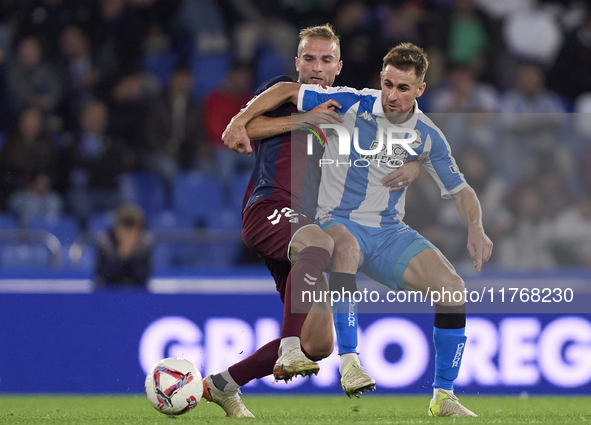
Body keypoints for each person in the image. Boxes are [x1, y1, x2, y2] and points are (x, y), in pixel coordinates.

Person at [223, 42, 493, 417]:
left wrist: (476, 229)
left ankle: (443, 396)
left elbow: (462, 190)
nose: (392, 95)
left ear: (420, 91)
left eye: (402, 88)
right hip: (333, 221)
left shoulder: (427, 135)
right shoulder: (352, 101)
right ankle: (350, 362)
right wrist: (239, 121)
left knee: (452, 289)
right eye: (387, 84)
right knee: (344, 249)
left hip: (387, 232)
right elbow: (285, 89)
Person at [201, 25, 420, 417]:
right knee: (320, 247)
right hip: (269, 207)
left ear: (338, 66)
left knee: (317, 343)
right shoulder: (283, 93)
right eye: (308, 58)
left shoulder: (344, 111)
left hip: (304, 226)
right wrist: (302, 122)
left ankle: (222, 384)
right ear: (297, 62)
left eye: (324, 60)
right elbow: (243, 132)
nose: (316, 67)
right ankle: (286, 350)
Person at [95, 203, 153, 287]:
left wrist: (131, 253)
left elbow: (143, 279)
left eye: (132, 230)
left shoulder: (145, 243)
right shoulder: (104, 242)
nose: (128, 235)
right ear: (116, 229)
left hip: (137, 295)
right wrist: (121, 254)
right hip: (109, 295)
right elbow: (103, 278)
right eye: (125, 228)